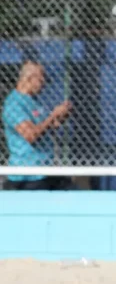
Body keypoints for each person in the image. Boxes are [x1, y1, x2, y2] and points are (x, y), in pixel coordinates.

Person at [2, 61, 72, 190]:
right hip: (28, 175)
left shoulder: (33, 101)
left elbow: (44, 126)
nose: (44, 83)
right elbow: (31, 135)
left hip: (45, 168)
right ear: (29, 78)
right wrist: (52, 116)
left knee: (72, 191)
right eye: (41, 79)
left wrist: (59, 117)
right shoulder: (14, 104)